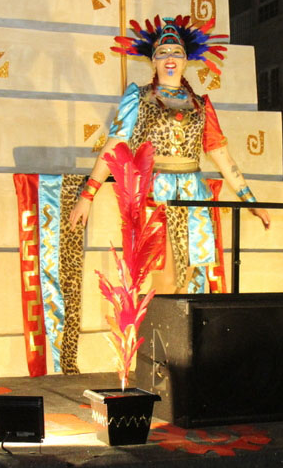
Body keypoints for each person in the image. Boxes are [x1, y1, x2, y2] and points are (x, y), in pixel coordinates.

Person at [69, 16, 270, 293]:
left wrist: (250, 200)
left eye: (176, 52)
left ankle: (177, 322)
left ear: (186, 59)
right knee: (163, 278)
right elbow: (115, 145)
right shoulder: (138, 97)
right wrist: (87, 195)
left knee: (186, 280)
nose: (170, 58)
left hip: (192, 195)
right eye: (162, 52)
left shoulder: (200, 105)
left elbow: (221, 154)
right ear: (153, 60)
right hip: (155, 193)